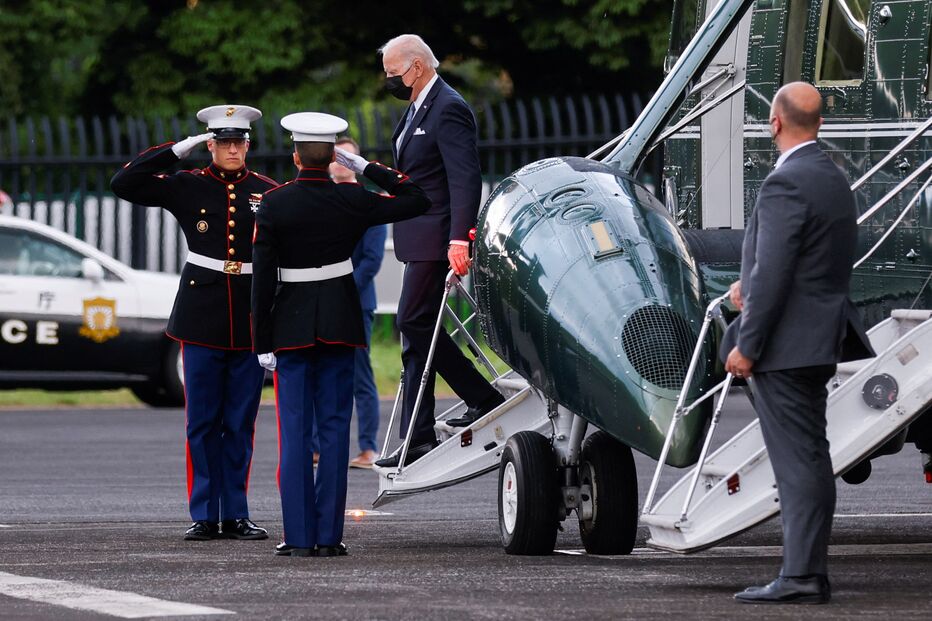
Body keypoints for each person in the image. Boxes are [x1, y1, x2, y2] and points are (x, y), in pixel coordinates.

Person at [722, 82, 874, 604]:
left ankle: (802, 575)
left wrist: (747, 342)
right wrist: (753, 282)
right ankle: (807, 569)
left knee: (798, 462)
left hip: (785, 346)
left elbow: (779, 271)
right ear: (819, 124)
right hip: (819, 337)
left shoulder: (784, 183)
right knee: (809, 455)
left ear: (775, 123)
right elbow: (807, 261)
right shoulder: (833, 178)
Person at [251, 112, 429, 557]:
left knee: (295, 432)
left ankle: (298, 536)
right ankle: (329, 537)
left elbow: (261, 279)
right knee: (334, 430)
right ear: (333, 155)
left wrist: (261, 340)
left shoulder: (274, 203)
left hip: (290, 327)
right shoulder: (353, 200)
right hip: (338, 323)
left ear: (295, 156)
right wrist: (363, 167)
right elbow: (415, 197)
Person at [110, 105, 276, 542]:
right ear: (210, 145)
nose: (232, 148)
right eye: (223, 141)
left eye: (238, 141)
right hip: (201, 315)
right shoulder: (187, 185)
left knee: (240, 422)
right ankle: (204, 513)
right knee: (202, 421)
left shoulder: (268, 191)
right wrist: (179, 149)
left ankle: (236, 512)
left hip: (249, 317)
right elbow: (124, 182)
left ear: (248, 144)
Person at [374, 34, 505, 469]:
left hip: (437, 238)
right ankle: (418, 435)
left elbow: (464, 178)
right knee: (417, 333)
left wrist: (459, 238)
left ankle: (476, 399)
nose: (390, 80)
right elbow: (416, 174)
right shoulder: (416, 107)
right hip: (418, 235)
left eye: (394, 73)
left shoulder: (447, 107)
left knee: (415, 323)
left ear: (416, 67)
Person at [330, 136, 386, 469]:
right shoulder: (319, 199)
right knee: (322, 373)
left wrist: (340, 289)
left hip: (356, 302)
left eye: (347, 158)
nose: (340, 163)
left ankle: (368, 448)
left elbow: (371, 261)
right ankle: (319, 447)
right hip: (323, 299)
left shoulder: (371, 203)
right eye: (336, 157)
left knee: (359, 377)